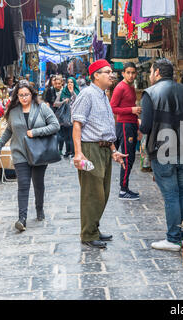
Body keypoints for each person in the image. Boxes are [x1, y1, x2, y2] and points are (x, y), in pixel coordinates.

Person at [140, 58, 183, 252]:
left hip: (162, 151)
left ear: (157, 72)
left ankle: (174, 238)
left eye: (151, 71)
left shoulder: (150, 93)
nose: (150, 75)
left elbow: (146, 126)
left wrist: (139, 122)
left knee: (171, 195)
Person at [71, 59, 128, 249]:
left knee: (103, 193)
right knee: (92, 193)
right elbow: (77, 124)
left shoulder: (103, 95)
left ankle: (93, 227)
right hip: (90, 148)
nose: (111, 75)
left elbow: (104, 127)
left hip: (104, 148)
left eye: (111, 72)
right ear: (96, 75)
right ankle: (88, 234)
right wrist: (78, 153)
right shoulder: (87, 94)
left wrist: (113, 150)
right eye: (107, 72)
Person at [0, 80, 60, 231]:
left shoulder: (42, 107)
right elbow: (9, 131)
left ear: (32, 94)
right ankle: (22, 219)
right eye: (21, 95)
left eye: (27, 95)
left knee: (38, 183)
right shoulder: (13, 111)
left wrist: (35, 132)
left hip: (39, 153)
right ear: (16, 96)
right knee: (23, 185)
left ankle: (39, 210)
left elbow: (55, 125)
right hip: (20, 153)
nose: (24, 98)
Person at [110, 62, 141, 200]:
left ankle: (125, 187)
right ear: (123, 73)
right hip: (124, 124)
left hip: (132, 124)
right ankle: (123, 190)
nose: (131, 75)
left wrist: (138, 126)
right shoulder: (120, 87)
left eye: (133, 72)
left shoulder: (131, 87)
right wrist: (131, 110)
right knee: (127, 157)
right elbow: (112, 108)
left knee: (131, 157)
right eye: (128, 72)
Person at [57, 77, 79, 158]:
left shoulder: (77, 91)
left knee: (72, 136)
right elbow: (56, 103)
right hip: (64, 117)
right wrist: (63, 101)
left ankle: (73, 151)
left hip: (74, 117)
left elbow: (78, 101)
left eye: (71, 82)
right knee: (66, 136)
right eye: (68, 82)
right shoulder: (63, 91)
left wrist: (72, 92)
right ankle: (67, 151)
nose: (70, 84)